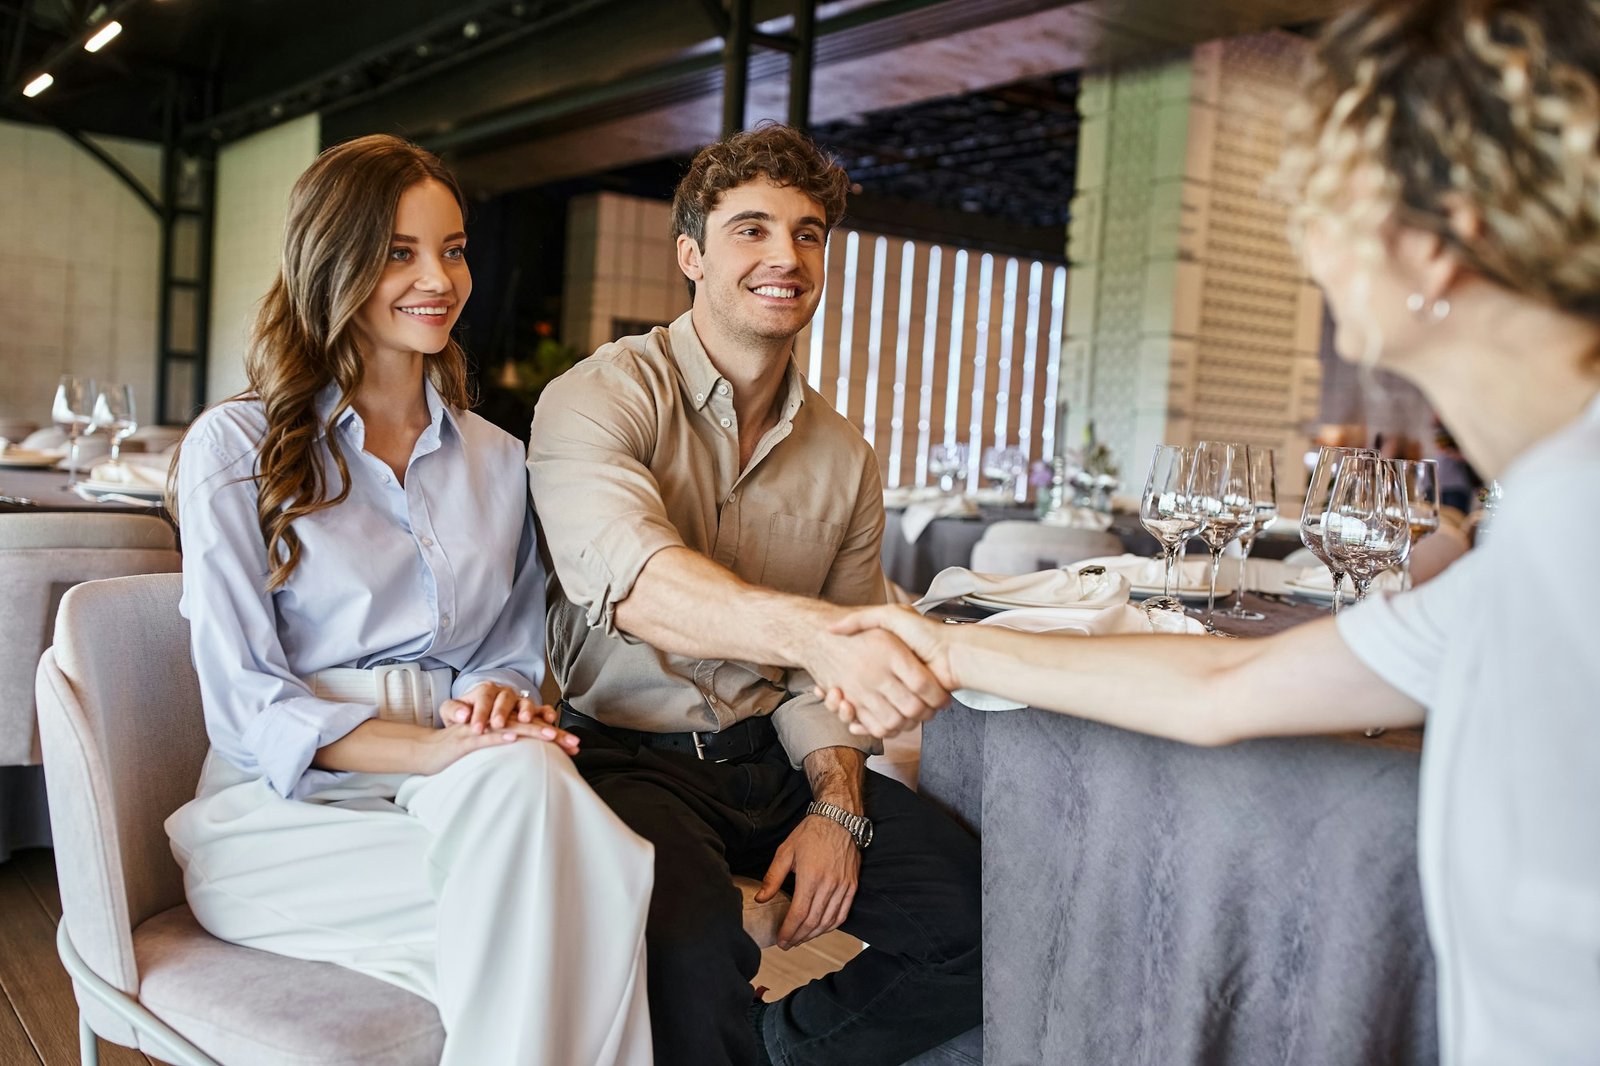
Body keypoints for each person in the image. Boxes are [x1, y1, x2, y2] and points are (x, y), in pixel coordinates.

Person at [826, 1, 1600, 1063]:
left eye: (1322, 207)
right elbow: (1225, 691)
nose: (1306, 250)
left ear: (1434, 242)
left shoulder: (1573, 527)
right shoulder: (1540, 534)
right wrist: (946, 645)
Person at [164, 134, 654, 1066]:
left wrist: (500, 701)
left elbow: (507, 654)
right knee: (582, 884)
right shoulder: (234, 448)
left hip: (465, 784)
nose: (439, 276)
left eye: (455, 247)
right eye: (399, 250)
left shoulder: (502, 461)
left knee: (533, 797)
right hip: (290, 816)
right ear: (333, 260)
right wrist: (441, 746)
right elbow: (245, 707)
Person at [527, 123, 980, 1066]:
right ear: (690, 252)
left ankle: (782, 1047)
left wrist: (837, 808)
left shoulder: (844, 455)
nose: (786, 255)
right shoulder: (596, 398)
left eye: (808, 233)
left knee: (984, 924)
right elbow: (642, 587)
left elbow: (830, 687)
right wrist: (824, 636)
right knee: (692, 953)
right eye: (752, 229)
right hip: (623, 758)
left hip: (775, 760)